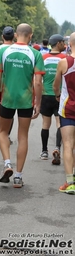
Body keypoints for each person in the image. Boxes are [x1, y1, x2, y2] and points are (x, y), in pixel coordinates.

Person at [0, 23, 44, 188]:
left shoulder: (4, 51)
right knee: (23, 136)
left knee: (2, 131)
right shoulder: (35, 54)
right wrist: (38, 103)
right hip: (25, 100)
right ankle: (18, 177)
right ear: (30, 35)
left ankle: (7, 163)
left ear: (15, 35)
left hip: (7, 98)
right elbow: (37, 82)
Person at [53, 32, 75, 194]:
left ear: (70, 43)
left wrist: (58, 95)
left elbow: (56, 85)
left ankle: (70, 182)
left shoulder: (63, 62)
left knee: (68, 145)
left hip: (68, 109)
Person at [40, 34, 66, 164]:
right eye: (63, 42)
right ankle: (57, 147)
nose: (65, 45)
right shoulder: (64, 59)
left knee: (45, 124)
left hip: (45, 95)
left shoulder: (43, 58)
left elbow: (38, 79)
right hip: (60, 96)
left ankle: (44, 151)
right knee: (59, 124)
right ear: (58, 43)